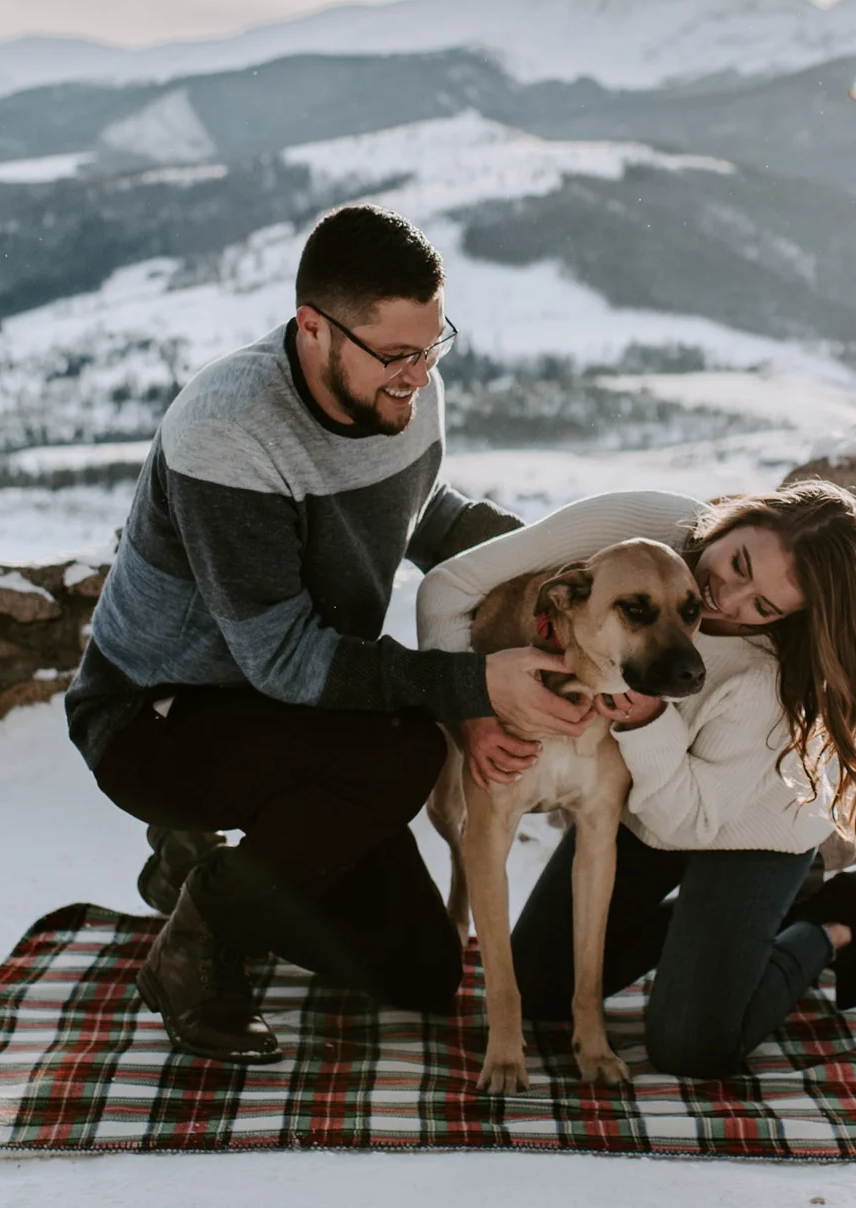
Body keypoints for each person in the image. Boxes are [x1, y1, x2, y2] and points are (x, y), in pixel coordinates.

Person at [64, 204, 586, 1064]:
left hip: (300, 723)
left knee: (419, 974)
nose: (416, 378)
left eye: (433, 347)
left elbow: (423, 512)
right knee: (400, 750)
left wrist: (566, 569)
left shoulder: (404, 391)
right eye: (395, 355)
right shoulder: (228, 433)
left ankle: (200, 873)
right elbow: (285, 658)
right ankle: (196, 945)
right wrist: (476, 686)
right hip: (159, 719)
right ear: (313, 327)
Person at [416, 482, 856, 1079]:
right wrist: (473, 707)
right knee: (539, 990)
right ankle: (720, 937)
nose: (726, 597)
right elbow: (449, 586)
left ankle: (830, 922)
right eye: (738, 563)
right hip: (644, 810)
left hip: (744, 831)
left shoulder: (767, 678)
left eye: (764, 608)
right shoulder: (636, 529)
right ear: (735, 520)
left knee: (693, 1045)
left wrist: (646, 720)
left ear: (792, 619)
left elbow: (685, 823)